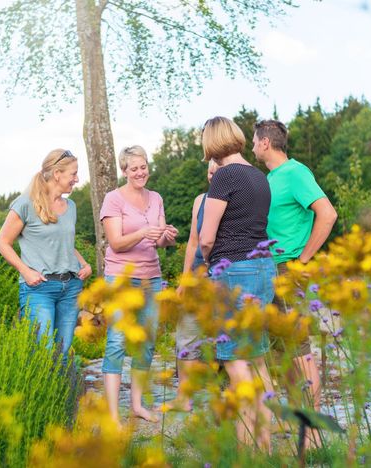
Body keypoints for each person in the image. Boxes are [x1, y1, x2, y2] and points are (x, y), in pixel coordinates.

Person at [252, 119, 338, 445]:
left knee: (300, 351)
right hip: (268, 270)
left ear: (265, 143)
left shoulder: (296, 173)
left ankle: (314, 430)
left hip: (289, 270)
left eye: (254, 140)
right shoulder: (270, 178)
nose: (252, 145)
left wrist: (302, 260)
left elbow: (327, 214)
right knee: (283, 352)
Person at [198, 116, 275, 450]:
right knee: (256, 357)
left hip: (234, 271)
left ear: (212, 143)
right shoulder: (259, 176)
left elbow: (205, 238)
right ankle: (265, 445)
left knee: (234, 359)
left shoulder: (224, 176)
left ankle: (245, 452)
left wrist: (205, 266)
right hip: (263, 268)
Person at [100, 145, 179, 423]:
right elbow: (117, 243)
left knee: (146, 343)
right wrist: (145, 231)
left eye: (143, 167)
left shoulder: (156, 197)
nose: (140, 172)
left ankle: (137, 406)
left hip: (151, 277)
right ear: (124, 171)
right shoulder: (113, 199)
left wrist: (167, 236)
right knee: (118, 341)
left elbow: (158, 241)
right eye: (134, 168)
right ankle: (112, 415)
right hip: (121, 277)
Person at [0, 149, 93, 362]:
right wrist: (26, 271)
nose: (77, 179)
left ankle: (63, 395)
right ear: (57, 174)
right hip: (39, 289)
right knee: (44, 353)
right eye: (73, 174)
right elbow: (3, 243)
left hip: (71, 288)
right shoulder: (25, 204)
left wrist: (84, 264)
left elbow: (65, 244)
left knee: (63, 353)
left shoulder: (71, 206)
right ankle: (40, 394)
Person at [173, 160, 219, 411]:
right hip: (197, 276)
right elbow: (192, 242)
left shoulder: (233, 199)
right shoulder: (200, 200)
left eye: (217, 170)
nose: (212, 174)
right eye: (209, 170)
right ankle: (184, 397)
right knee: (187, 333)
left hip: (223, 276)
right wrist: (185, 278)